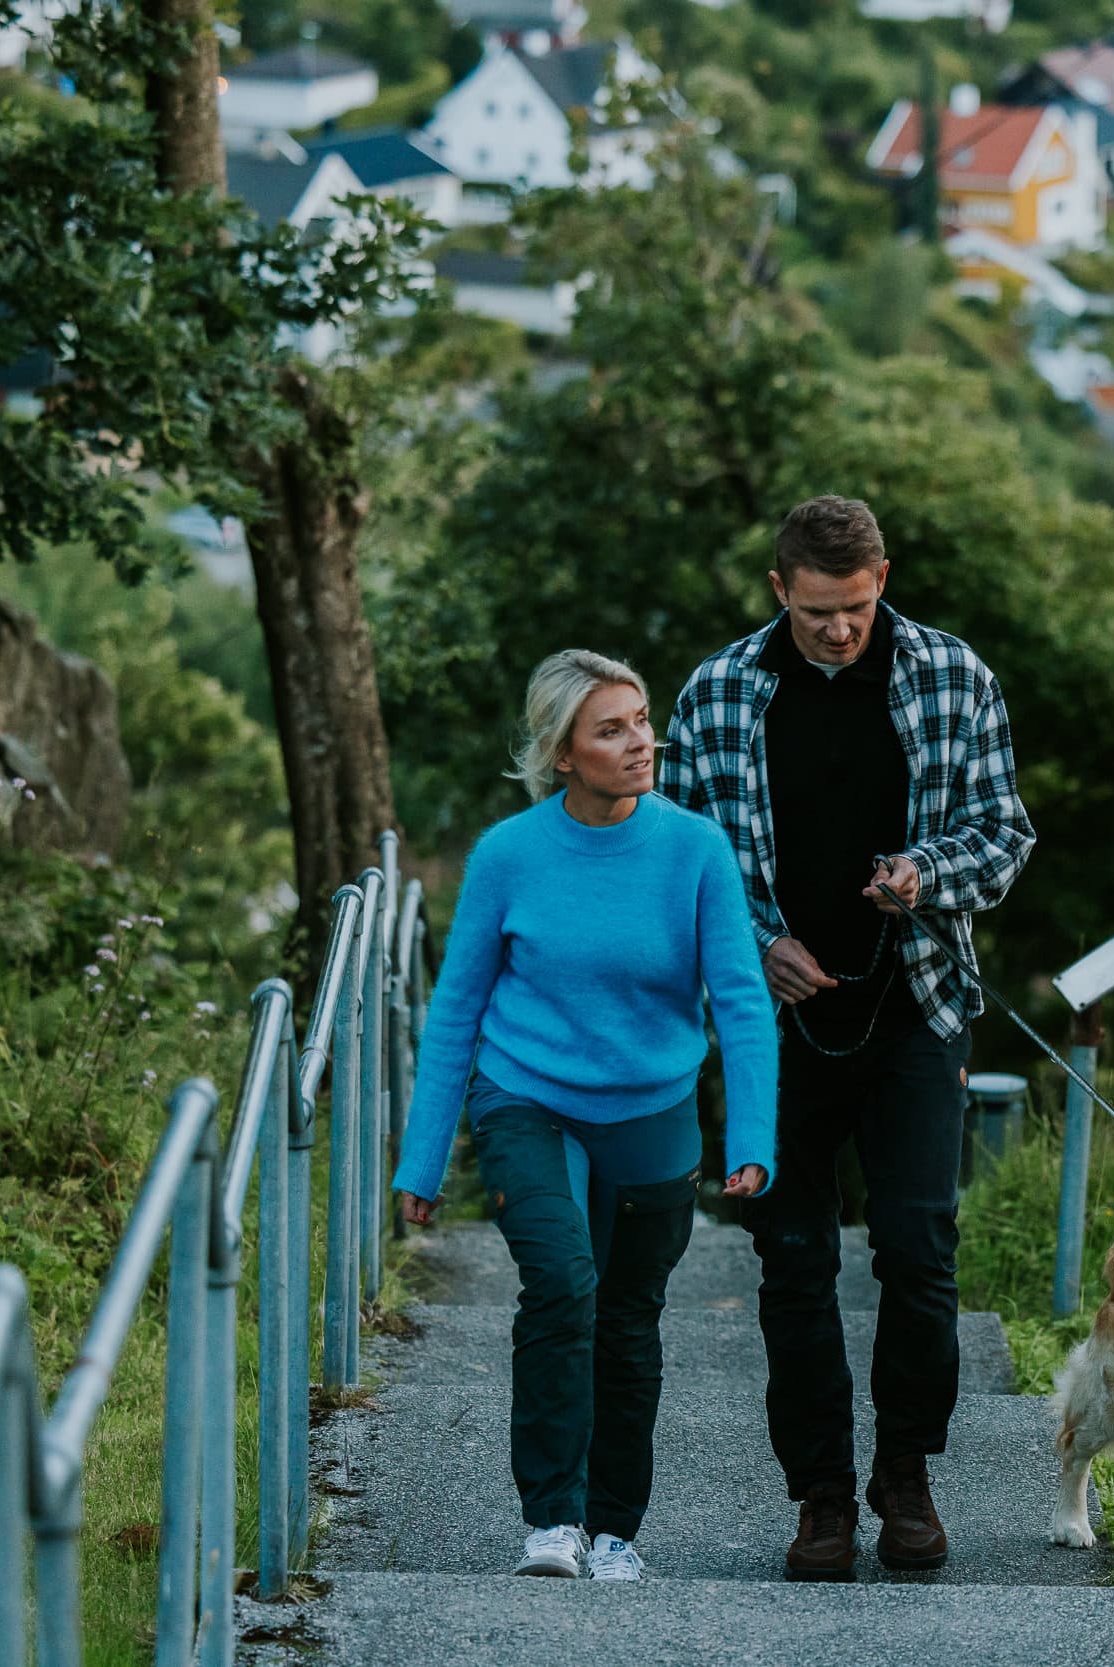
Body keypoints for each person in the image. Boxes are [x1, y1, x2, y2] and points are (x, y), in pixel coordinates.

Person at [661, 495, 1035, 1580]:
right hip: (773, 1023)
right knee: (793, 1262)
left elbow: (1004, 833)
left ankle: (906, 1477)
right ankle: (819, 1497)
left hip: (914, 1004)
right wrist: (757, 941)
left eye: (859, 606)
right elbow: (679, 861)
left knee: (920, 1252)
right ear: (780, 589)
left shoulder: (953, 674)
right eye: (820, 610)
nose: (840, 629)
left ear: (884, 576)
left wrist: (926, 874)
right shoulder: (719, 689)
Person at [392, 649, 777, 1583]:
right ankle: (551, 1522)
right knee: (563, 1282)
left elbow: (740, 999)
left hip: (652, 1109)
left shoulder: (694, 850)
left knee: (630, 1317)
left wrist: (752, 1137)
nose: (641, 740)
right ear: (561, 752)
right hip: (528, 1097)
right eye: (612, 728)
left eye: (642, 719)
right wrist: (422, 1159)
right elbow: (455, 1011)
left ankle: (614, 1530)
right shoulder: (509, 855)